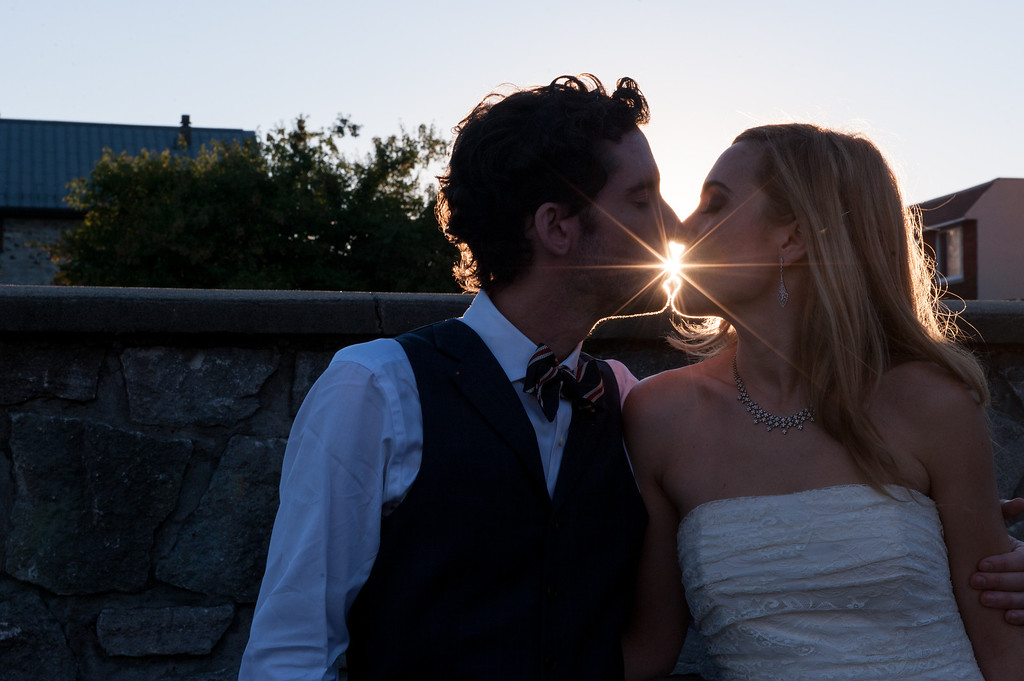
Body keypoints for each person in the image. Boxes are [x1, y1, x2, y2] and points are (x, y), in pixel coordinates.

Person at [238, 74, 678, 681]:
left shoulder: (628, 399)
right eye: (643, 199)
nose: (672, 224)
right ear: (557, 226)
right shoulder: (375, 390)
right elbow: (295, 651)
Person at [622, 123, 1024, 680]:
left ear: (793, 237)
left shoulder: (932, 405)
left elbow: (1003, 645)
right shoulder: (658, 417)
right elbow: (645, 650)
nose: (680, 230)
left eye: (714, 205)